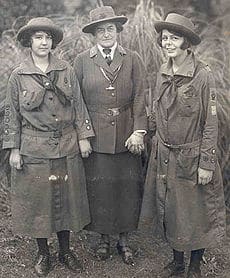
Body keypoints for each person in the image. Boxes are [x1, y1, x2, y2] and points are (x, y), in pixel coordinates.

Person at [2, 17, 95, 276]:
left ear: (53, 42)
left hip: (66, 145)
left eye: (48, 38)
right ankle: (43, 252)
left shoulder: (65, 70)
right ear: (28, 42)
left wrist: (84, 136)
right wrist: (14, 148)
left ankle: (65, 250)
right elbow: (12, 114)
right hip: (35, 149)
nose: (44, 42)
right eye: (38, 37)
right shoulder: (18, 76)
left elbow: (78, 105)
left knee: (66, 199)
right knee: (38, 203)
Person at [144, 13, 226, 278]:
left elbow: (210, 123)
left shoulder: (202, 76)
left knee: (196, 213)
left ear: (186, 43)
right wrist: (145, 134)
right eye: (165, 38)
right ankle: (177, 262)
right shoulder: (163, 71)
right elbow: (157, 112)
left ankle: (194, 266)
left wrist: (206, 163)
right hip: (165, 154)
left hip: (191, 156)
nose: (168, 43)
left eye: (174, 38)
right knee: (172, 211)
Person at [74, 6, 147, 265]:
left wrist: (139, 132)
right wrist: (83, 134)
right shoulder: (83, 60)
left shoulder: (133, 58)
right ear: (93, 34)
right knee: (100, 187)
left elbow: (140, 96)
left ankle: (124, 239)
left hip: (127, 135)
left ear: (118, 31)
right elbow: (77, 100)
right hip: (96, 136)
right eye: (100, 30)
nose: (106, 34)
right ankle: (103, 238)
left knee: (127, 187)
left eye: (111, 29)